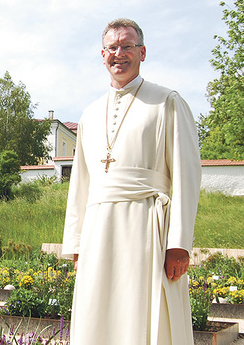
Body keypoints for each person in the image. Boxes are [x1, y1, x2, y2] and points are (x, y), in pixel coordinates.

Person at [62, 18, 201, 344]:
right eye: (113, 47)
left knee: (144, 314)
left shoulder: (167, 102)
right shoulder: (90, 113)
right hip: (97, 231)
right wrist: (77, 245)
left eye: (127, 46)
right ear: (103, 54)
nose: (119, 53)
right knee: (99, 314)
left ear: (142, 52)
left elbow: (187, 174)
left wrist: (178, 242)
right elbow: (80, 184)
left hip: (146, 226)